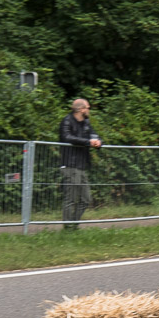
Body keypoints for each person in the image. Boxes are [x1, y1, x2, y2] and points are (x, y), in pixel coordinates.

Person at [58, 98, 102, 230]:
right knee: (70, 198)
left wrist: (98, 142)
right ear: (81, 109)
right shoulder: (67, 121)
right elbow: (67, 137)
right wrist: (87, 142)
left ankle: (73, 224)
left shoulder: (86, 123)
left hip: (82, 165)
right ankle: (68, 227)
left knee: (86, 199)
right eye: (88, 108)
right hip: (70, 164)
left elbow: (94, 135)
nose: (89, 110)